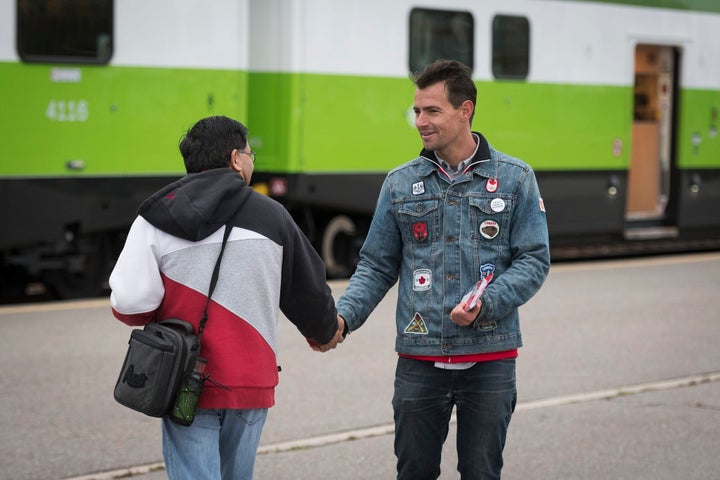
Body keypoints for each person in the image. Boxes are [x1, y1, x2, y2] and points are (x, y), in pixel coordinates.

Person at [335, 59, 550, 479]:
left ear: (464, 110)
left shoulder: (516, 178)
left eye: (431, 111)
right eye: (417, 111)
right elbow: (376, 265)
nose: (420, 121)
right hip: (420, 359)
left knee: (480, 472)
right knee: (413, 472)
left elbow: (534, 260)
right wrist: (343, 317)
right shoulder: (399, 184)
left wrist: (486, 303)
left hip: (490, 359)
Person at [109, 115, 344, 479]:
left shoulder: (156, 216)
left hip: (183, 377)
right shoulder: (274, 217)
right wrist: (326, 333)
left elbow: (130, 302)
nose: (252, 161)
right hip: (251, 380)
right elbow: (308, 289)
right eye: (250, 154)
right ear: (236, 159)